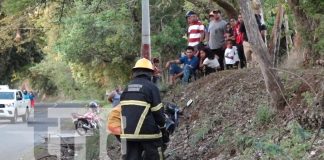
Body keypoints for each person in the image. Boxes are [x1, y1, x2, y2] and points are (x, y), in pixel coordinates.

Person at [120, 58, 168, 160]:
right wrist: (163, 128)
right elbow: (158, 112)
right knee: (155, 156)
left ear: (135, 72)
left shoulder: (127, 88)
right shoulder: (151, 87)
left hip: (128, 133)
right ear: (150, 73)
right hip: (148, 134)